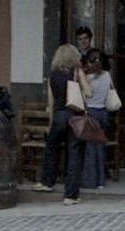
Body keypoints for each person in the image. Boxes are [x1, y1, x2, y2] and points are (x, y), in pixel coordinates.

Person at [34, 43, 89, 204]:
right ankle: (70, 196)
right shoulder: (77, 72)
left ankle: (47, 182)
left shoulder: (53, 75)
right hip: (75, 116)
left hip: (59, 116)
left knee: (51, 148)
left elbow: (51, 103)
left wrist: (51, 122)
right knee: (74, 155)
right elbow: (88, 92)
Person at [80, 48, 114, 192]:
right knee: (100, 147)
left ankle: (90, 180)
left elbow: (84, 95)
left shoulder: (87, 78)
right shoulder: (107, 75)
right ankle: (101, 180)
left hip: (91, 112)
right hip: (103, 112)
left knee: (89, 148)